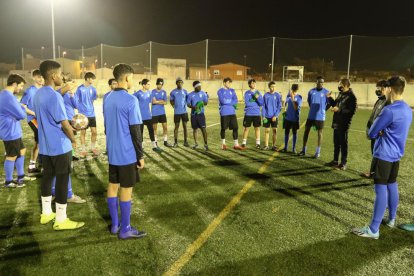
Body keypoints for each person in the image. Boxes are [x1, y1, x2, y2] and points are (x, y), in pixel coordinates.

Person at [352, 76, 412, 239]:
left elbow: (371, 133)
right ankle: (392, 219)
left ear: (390, 89)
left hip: (384, 154)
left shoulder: (389, 110)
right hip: (396, 155)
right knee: (392, 184)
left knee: (380, 188)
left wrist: (380, 131)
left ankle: (373, 229)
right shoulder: (407, 109)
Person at [33, 60, 84, 230]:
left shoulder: (38, 94)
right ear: (53, 75)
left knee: (47, 178)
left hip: (46, 146)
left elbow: (47, 118)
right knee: (62, 180)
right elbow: (64, 123)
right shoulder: (54, 95)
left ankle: (46, 213)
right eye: (60, 74)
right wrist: (74, 139)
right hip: (60, 146)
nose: (62, 77)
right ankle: (61, 219)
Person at [104, 63, 146, 239]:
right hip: (127, 152)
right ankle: (125, 229)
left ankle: (115, 225)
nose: (133, 81)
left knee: (113, 186)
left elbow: (107, 127)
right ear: (127, 78)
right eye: (132, 78)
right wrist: (140, 155)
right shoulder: (131, 100)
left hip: (112, 151)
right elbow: (136, 131)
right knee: (126, 189)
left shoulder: (107, 98)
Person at [0, 74, 27, 188]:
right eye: (20, 86)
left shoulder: (5, 94)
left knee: (22, 150)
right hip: (9, 131)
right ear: (14, 84)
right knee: (11, 155)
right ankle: (9, 181)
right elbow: (21, 115)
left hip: (12, 129)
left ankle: (20, 176)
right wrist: (22, 107)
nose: (21, 89)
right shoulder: (9, 97)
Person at [361, 80, 391, 178]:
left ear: (387, 89)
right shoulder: (379, 100)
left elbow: (388, 118)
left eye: (381, 88)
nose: (378, 90)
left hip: (381, 133)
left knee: (379, 153)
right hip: (375, 131)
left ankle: (377, 174)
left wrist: (383, 129)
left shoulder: (388, 102)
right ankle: (374, 172)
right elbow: (374, 116)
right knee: (375, 152)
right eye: (377, 88)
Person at [326, 78, 357, 170]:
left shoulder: (352, 96)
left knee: (343, 144)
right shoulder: (341, 94)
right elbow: (335, 104)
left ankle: (343, 163)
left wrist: (339, 110)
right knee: (336, 143)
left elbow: (352, 111)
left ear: (346, 85)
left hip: (343, 123)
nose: (339, 86)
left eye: (341, 85)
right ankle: (335, 161)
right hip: (336, 122)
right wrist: (329, 98)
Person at [298, 76, 331, 158]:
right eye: (319, 82)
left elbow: (329, 103)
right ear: (316, 82)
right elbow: (309, 102)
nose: (321, 83)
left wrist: (323, 109)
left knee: (320, 133)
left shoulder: (326, 92)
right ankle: (304, 150)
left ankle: (318, 152)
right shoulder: (311, 91)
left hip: (320, 116)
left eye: (322, 82)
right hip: (311, 115)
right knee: (306, 131)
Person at [20, 69, 44, 174]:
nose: (41, 79)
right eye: (38, 77)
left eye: (42, 77)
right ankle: (32, 165)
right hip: (33, 119)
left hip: (43, 119)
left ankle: (41, 162)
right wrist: (35, 113)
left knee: (43, 140)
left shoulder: (44, 90)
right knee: (39, 141)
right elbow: (23, 106)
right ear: (33, 78)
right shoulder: (30, 91)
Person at [133, 79, 162, 153]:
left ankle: (154, 146)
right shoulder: (138, 93)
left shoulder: (150, 93)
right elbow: (132, 100)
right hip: (140, 117)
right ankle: (140, 147)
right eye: (148, 84)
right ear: (144, 85)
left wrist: (161, 102)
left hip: (148, 116)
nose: (149, 86)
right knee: (140, 132)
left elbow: (153, 101)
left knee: (151, 131)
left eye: (149, 84)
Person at [75, 72, 98, 158]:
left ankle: (92, 148)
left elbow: (92, 100)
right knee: (83, 132)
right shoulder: (80, 89)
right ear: (88, 78)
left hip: (92, 114)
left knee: (94, 132)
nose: (93, 80)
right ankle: (84, 150)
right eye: (92, 78)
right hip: (83, 115)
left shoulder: (93, 89)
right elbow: (76, 100)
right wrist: (80, 111)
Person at [217, 77, 244, 150]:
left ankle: (236, 144)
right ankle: (223, 144)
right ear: (224, 83)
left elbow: (236, 100)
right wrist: (231, 102)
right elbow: (222, 101)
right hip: (224, 112)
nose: (229, 84)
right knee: (223, 128)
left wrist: (228, 101)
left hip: (232, 112)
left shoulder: (232, 90)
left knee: (235, 128)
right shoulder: (220, 91)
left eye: (230, 83)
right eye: (228, 82)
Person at [241, 79, 264, 149]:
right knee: (246, 128)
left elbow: (261, 103)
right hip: (248, 113)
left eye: (255, 83)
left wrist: (257, 98)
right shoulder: (247, 93)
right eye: (252, 83)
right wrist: (254, 100)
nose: (254, 84)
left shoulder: (258, 93)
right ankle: (244, 143)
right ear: (249, 85)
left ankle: (258, 143)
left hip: (256, 113)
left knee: (257, 128)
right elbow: (247, 103)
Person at [187, 81, 209, 150]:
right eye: (198, 86)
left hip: (201, 115)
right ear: (195, 87)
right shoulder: (190, 95)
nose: (200, 87)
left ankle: (206, 145)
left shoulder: (203, 93)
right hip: (193, 115)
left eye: (200, 86)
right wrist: (194, 107)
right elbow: (188, 104)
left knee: (203, 129)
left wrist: (201, 103)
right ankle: (196, 144)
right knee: (195, 129)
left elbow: (206, 102)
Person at [151, 78, 173, 147]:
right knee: (154, 129)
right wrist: (161, 101)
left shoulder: (164, 92)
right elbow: (153, 102)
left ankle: (165, 141)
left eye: (161, 84)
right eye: (159, 84)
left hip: (162, 113)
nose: (160, 86)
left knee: (165, 127)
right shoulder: (153, 91)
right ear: (156, 84)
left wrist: (157, 101)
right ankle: (156, 142)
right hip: (154, 113)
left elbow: (166, 102)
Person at [280, 84, 301, 153]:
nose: (294, 90)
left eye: (295, 89)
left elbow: (295, 108)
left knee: (294, 133)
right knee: (286, 132)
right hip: (288, 118)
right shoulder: (288, 96)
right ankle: (285, 147)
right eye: (293, 89)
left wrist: (292, 98)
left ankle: (293, 149)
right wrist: (285, 108)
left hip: (295, 118)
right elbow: (285, 104)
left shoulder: (299, 97)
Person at [262, 81, 282, 151]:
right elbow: (264, 106)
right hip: (267, 116)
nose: (273, 88)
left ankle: (274, 145)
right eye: (272, 86)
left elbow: (279, 107)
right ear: (269, 87)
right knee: (267, 131)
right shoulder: (265, 95)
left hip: (274, 117)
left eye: (274, 86)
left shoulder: (277, 95)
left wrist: (276, 115)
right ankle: (266, 145)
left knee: (274, 131)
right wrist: (263, 116)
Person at [170, 77, 189, 147]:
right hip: (177, 112)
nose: (180, 83)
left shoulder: (185, 91)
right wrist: (174, 106)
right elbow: (171, 100)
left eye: (181, 82)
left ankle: (185, 142)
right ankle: (175, 142)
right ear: (176, 83)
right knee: (176, 127)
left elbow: (188, 99)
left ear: (183, 83)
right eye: (178, 82)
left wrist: (186, 105)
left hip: (184, 112)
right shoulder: (173, 92)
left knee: (185, 127)